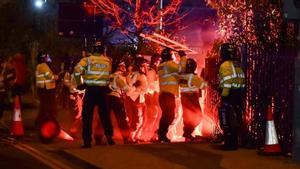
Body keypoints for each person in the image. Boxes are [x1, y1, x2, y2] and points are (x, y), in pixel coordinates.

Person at [74, 41, 114, 148]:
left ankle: (87, 141)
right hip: (103, 91)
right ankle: (109, 136)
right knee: (105, 115)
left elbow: (76, 71)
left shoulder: (87, 60)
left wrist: (80, 84)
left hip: (91, 90)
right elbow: (109, 77)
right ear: (103, 50)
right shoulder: (107, 61)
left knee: (87, 116)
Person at [218, 43, 245, 150]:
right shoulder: (237, 64)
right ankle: (235, 142)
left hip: (228, 94)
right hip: (238, 94)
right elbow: (242, 79)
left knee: (226, 119)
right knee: (236, 119)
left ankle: (229, 143)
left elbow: (227, 81)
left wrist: (224, 94)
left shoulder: (224, 65)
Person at [157, 48, 186, 143]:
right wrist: (183, 57)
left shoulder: (161, 65)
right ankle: (161, 134)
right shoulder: (169, 64)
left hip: (163, 95)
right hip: (168, 95)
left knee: (166, 115)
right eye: (173, 55)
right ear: (170, 56)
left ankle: (161, 133)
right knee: (169, 116)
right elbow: (181, 69)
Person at [179, 58, 207, 141]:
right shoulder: (194, 77)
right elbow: (203, 86)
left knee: (187, 117)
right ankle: (187, 133)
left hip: (184, 97)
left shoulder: (182, 76)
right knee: (198, 116)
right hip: (192, 98)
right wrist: (204, 78)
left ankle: (187, 134)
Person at [108, 60, 134, 144]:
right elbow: (127, 89)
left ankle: (100, 138)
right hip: (116, 98)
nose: (124, 68)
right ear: (119, 67)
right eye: (123, 66)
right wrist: (134, 87)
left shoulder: (109, 76)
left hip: (106, 98)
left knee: (105, 119)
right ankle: (127, 138)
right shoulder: (118, 77)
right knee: (122, 119)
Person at [35, 52, 59, 131]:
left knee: (44, 107)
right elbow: (50, 76)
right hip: (46, 89)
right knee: (47, 107)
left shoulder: (39, 66)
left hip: (43, 89)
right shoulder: (43, 65)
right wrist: (56, 77)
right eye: (47, 57)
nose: (48, 58)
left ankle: (40, 122)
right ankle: (45, 123)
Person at [144, 54, 161, 141]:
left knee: (156, 116)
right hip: (152, 95)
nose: (159, 62)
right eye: (158, 60)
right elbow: (151, 84)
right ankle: (147, 135)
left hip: (155, 94)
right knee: (152, 116)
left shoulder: (156, 70)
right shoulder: (151, 71)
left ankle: (153, 134)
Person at [0, 56, 15, 129]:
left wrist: (6, 79)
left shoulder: (8, 69)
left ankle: (1, 120)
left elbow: (11, 76)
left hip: (3, 90)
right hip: (2, 89)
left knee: (2, 105)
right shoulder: (4, 68)